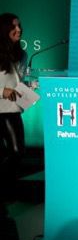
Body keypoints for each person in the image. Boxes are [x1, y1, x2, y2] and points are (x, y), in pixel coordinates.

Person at [0, 13, 27, 201]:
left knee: (18, 152)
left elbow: (20, 83)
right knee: (14, 152)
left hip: (13, 110)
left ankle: (7, 193)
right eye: (13, 27)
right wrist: (2, 91)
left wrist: (30, 88)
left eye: (19, 26)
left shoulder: (22, 54)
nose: (18, 30)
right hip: (1, 111)